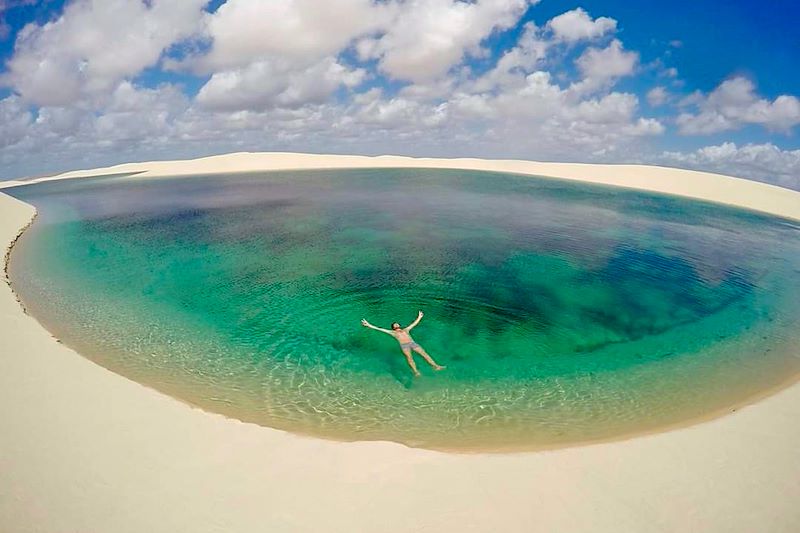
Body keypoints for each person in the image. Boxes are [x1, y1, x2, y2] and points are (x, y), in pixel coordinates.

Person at [361, 310, 445, 377]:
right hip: (404, 346)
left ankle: (436, 366)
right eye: (394, 324)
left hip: (412, 343)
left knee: (424, 354)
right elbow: (379, 329)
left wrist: (419, 317)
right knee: (410, 358)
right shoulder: (392, 332)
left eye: (397, 323)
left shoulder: (406, 330)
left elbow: (414, 324)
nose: (396, 324)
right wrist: (368, 325)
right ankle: (416, 372)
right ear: (393, 327)